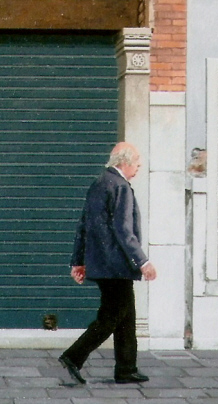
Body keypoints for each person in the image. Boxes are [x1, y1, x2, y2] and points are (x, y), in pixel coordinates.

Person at [58, 142, 157, 385]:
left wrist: (78, 262)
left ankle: (126, 368)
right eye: (136, 162)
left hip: (102, 265)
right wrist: (143, 261)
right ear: (125, 162)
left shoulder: (99, 183)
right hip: (117, 266)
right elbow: (124, 230)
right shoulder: (121, 187)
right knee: (111, 317)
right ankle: (74, 356)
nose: (139, 166)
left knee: (126, 316)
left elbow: (84, 225)